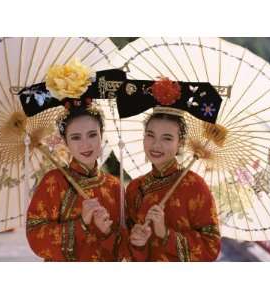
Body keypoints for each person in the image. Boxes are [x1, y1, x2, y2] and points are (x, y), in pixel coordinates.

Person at [23, 60, 126, 261]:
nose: (85, 145)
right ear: (65, 142)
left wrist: (108, 232)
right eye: (76, 138)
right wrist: (82, 224)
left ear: (102, 135)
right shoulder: (53, 182)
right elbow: (36, 237)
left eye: (92, 135)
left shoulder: (115, 186)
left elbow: (124, 250)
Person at [119, 77, 222, 262]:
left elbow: (211, 248)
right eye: (150, 135)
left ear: (180, 143)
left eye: (167, 138)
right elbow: (128, 251)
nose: (156, 145)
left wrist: (165, 233)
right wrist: (137, 243)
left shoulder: (195, 187)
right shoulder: (134, 188)